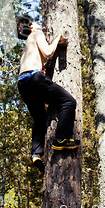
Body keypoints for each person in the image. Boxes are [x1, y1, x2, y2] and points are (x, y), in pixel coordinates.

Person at [16, 14, 80, 172]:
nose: (40, 24)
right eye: (36, 22)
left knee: (40, 118)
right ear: (31, 27)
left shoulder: (26, 45)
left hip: (23, 83)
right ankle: (60, 139)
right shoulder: (36, 34)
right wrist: (58, 38)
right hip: (34, 78)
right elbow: (47, 52)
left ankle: (36, 154)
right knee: (68, 102)